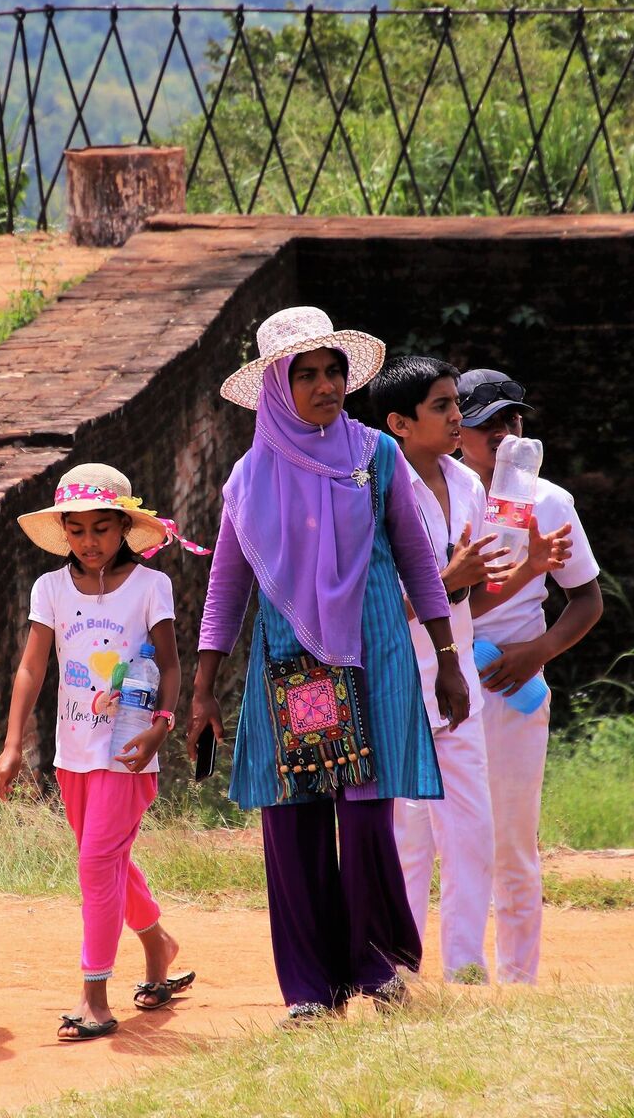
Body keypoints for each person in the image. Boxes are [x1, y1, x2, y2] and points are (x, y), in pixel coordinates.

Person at [187, 306, 469, 1026]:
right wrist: (202, 690)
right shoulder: (250, 477)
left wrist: (446, 659)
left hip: (374, 657)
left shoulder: (376, 455)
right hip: (294, 669)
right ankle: (310, 991)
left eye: (333, 371)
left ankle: (377, 971)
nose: (324, 386)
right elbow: (227, 587)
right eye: (305, 374)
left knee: (370, 820)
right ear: (279, 387)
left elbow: (415, 559)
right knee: (297, 825)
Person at [368, 356, 571, 983]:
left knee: (473, 836)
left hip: (454, 686)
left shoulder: (468, 488)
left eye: (457, 404)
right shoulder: (371, 488)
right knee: (407, 845)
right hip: (398, 686)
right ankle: (396, 975)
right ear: (399, 423)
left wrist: (531, 569)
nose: (458, 417)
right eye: (441, 407)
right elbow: (366, 611)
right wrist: (445, 583)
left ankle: (464, 971)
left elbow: (467, 600)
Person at [0, 463, 202, 1042]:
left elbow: (170, 662)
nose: (90, 542)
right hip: (72, 753)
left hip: (129, 752)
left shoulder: (150, 587)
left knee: (94, 866)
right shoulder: (50, 589)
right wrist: (14, 745)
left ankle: (95, 994)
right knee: (105, 860)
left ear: (124, 528)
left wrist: (163, 723)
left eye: (102, 529)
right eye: (78, 530)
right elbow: (33, 667)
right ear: (64, 531)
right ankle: (158, 943)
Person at [457, 367, 603, 984]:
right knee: (430, 834)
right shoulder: (439, 493)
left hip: (513, 678)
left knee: (512, 838)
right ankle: (443, 973)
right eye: (486, 424)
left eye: (511, 420)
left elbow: (587, 599)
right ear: (455, 431)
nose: (503, 433)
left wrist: (536, 652)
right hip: (443, 665)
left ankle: (518, 980)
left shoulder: (548, 500)